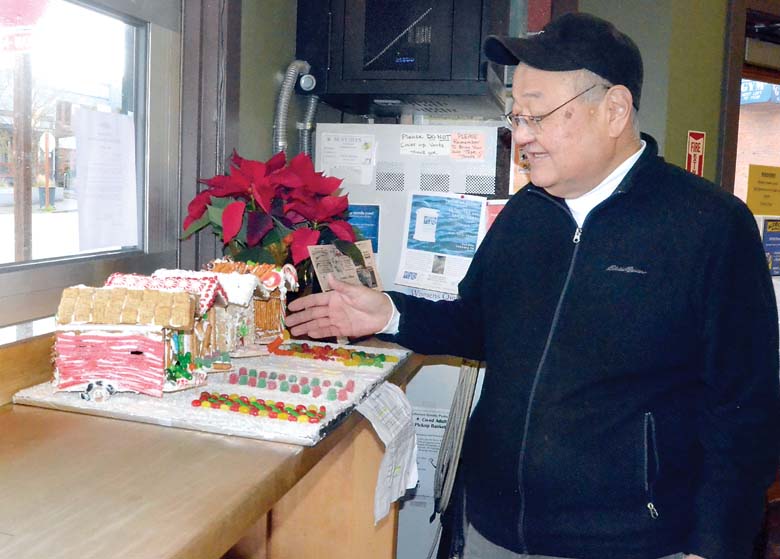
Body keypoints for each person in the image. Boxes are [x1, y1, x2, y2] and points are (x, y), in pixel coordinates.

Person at [286, 12, 780, 559]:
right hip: (492, 529)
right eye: (516, 115)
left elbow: (744, 413)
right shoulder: (526, 213)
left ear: (614, 110)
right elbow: (478, 326)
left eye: (538, 115)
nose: (520, 136)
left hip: (627, 542)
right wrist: (388, 314)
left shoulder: (708, 226)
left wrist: (714, 547)